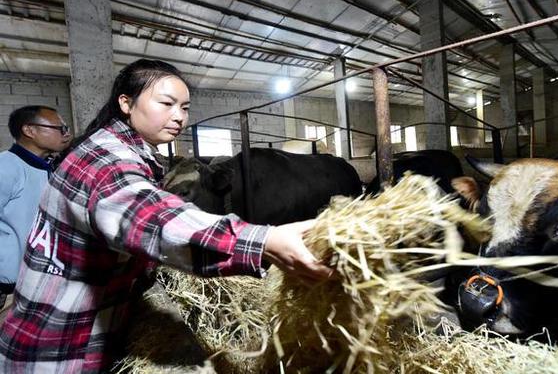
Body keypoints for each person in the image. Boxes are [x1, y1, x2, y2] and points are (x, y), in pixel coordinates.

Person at [0, 59, 332, 372]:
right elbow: (152, 217)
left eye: (184, 107)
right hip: (58, 347)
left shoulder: (124, 150)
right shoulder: (104, 161)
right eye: (166, 103)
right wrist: (264, 240)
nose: (179, 117)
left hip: (79, 328)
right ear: (126, 103)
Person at [0, 105, 71, 324]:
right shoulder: (7, 166)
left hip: (37, 279)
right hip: (7, 285)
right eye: (59, 127)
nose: (65, 133)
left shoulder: (48, 169)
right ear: (29, 130)